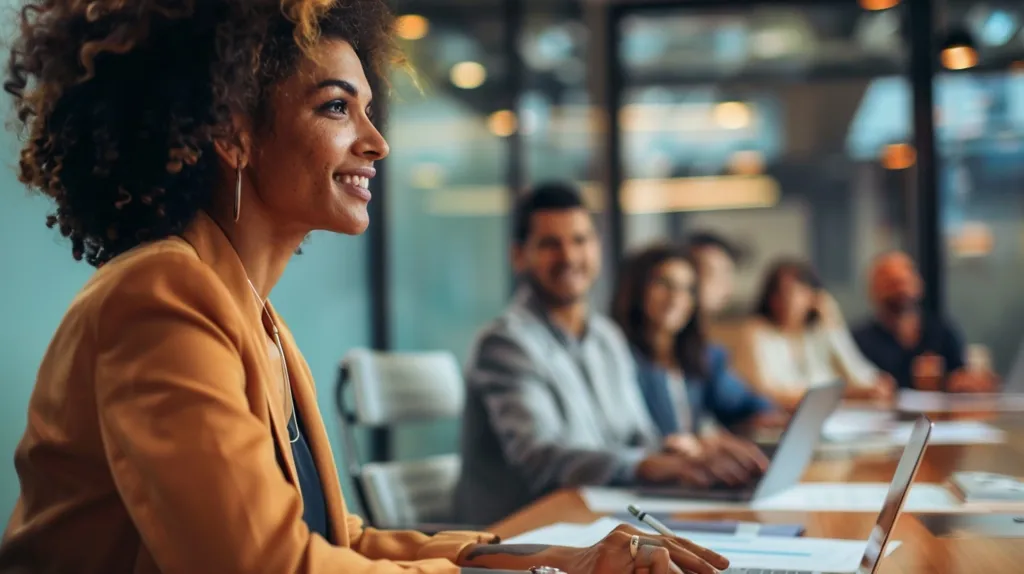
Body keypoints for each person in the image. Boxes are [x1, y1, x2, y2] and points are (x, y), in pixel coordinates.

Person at [0, 3, 728, 574]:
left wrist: (549, 558)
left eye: (367, 110)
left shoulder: (260, 324)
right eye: (336, 107)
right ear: (231, 132)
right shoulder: (161, 297)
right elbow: (267, 567)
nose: (377, 142)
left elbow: (335, 538)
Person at [455, 183, 758, 527]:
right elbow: (541, 458)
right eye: (550, 244)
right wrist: (646, 464)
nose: (569, 257)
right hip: (523, 535)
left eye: (580, 240)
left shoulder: (607, 337)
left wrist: (689, 451)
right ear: (518, 255)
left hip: (598, 521)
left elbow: (638, 436)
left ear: (597, 248)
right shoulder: (506, 343)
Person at [610, 243, 779, 467]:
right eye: (663, 284)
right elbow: (635, 439)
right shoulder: (616, 358)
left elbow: (746, 403)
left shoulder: (700, 356)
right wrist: (703, 440)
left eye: (687, 289)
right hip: (652, 478)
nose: (675, 297)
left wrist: (765, 416)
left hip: (691, 474)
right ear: (637, 290)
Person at [738, 259, 895, 411]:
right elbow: (767, 394)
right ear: (770, 298)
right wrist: (849, 393)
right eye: (781, 292)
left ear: (813, 296)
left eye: (797, 291)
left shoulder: (816, 332)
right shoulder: (756, 332)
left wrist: (834, 323)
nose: (789, 300)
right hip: (780, 423)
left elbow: (862, 376)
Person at [852, 251, 997, 393]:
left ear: (918, 285)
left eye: (903, 282)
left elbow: (962, 375)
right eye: (890, 284)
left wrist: (952, 382)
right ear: (873, 290)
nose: (900, 290)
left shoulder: (941, 331)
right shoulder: (859, 340)